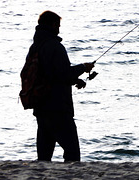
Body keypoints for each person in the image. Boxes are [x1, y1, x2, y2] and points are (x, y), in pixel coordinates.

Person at [28, 10, 94, 161]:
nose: (59, 29)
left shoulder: (35, 46)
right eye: (58, 25)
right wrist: (83, 67)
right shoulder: (55, 46)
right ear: (53, 25)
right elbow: (63, 73)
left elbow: (51, 74)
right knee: (72, 152)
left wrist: (75, 80)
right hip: (58, 107)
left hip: (41, 107)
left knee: (44, 157)